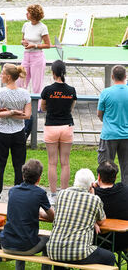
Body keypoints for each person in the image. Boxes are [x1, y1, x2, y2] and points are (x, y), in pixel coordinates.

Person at [46, 168, 115, 267]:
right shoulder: (94, 199)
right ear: (91, 185)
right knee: (110, 257)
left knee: (62, 257)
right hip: (79, 253)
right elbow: (102, 220)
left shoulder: (61, 194)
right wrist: (93, 195)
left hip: (54, 250)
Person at [0, 159, 54, 270]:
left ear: (23, 176)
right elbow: (52, 216)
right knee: (48, 240)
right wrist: (42, 214)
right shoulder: (40, 193)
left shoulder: (13, 191)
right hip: (25, 247)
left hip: (6, 243)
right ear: (39, 179)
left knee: (21, 232)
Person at [0, 63, 31, 201]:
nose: (0, 75)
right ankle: (18, 195)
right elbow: (27, 116)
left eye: (2, 73)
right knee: (19, 165)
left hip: (2, 132)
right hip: (19, 132)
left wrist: (7, 113)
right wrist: (14, 113)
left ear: (8, 77)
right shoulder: (25, 93)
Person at [41, 60, 77, 205]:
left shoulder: (48, 90)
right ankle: (64, 194)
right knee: (65, 163)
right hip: (67, 127)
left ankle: (54, 195)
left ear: (53, 72)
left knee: (52, 163)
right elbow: (71, 108)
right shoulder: (71, 90)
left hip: (51, 127)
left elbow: (43, 107)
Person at [97, 65, 128, 184]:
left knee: (105, 168)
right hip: (126, 136)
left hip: (109, 135)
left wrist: (107, 123)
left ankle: (105, 193)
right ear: (125, 76)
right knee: (127, 169)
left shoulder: (106, 93)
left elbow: (99, 114)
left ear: (112, 77)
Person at [17, 4, 50, 109]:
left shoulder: (43, 27)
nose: (26, 14)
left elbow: (47, 45)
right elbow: (22, 40)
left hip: (37, 57)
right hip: (26, 56)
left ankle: (38, 107)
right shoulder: (25, 25)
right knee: (20, 81)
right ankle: (21, 104)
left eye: (28, 12)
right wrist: (24, 43)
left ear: (34, 14)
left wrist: (35, 45)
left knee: (37, 85)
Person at [94, 160, 128, 251]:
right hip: (124, 240)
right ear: (116, 177)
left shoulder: (92, 196)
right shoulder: (125, 190)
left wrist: (92, 187)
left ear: (99, 177)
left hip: (97, 239)